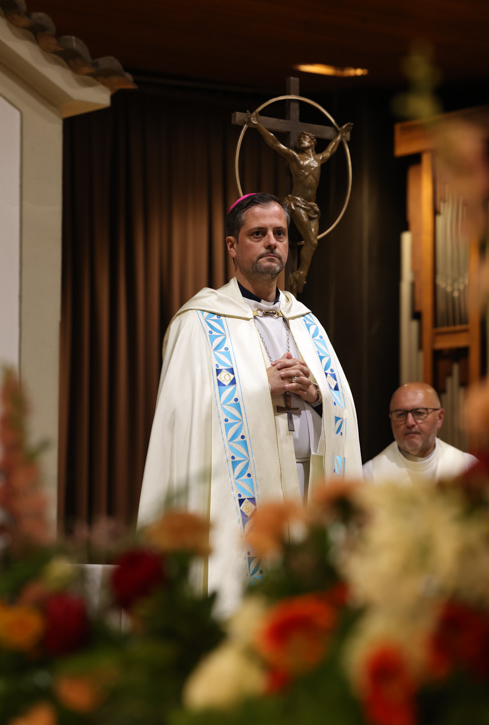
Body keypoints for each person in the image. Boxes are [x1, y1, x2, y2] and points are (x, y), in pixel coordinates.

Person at [138, 192, 362, 615]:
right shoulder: (200, 321)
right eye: (258, 234)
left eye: (280, 234)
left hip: (307, 492)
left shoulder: (306, 322)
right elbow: (184, 421)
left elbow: (342, 408)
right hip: (242, 495)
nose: (272, 242)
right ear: (232, 245)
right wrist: (261, 388)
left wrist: (316, 395)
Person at [244, 111, 352, 295]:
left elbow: (331, 149)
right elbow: (275, 144)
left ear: (312, 142)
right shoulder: (295, 158)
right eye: (300, 138)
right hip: (296, 203)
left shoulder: (318, 160)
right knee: (311, 240)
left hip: (312, 208)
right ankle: (300, 275)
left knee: (313, 244)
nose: (301, 140)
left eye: (305, 138)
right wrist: (258, 125)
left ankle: (300, 274)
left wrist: (340, 135)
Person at [363, 381, 477, 485]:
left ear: (439, 418)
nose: (409, 422)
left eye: (419, 413)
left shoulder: (467, 467)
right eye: (400, 414)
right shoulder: (370, 475)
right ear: (391, 420)